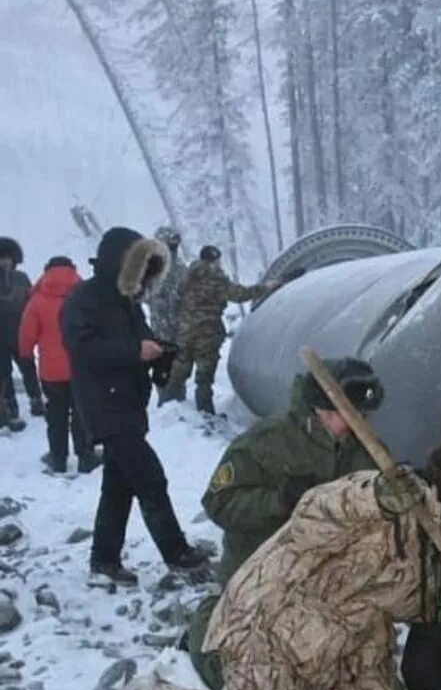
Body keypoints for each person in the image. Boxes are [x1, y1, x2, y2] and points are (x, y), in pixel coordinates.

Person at [78, 434, 441, 690]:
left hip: (329, 636)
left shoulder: (432, 549)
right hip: (266, 621)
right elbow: (316, 513)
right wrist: (376, 498)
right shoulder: (379, 498)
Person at [61, 226, 209, 587]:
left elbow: (140, 341)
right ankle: (176, 553)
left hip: (127, 403)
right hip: (103, 406)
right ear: (122, 263)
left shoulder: (127, 302)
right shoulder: (83, 298)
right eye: (141, 268)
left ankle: (104, 559)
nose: (145, 279)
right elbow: (82, 349)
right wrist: (135, 352)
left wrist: (160, 352)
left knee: (119, 486)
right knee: (149, 477)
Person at [201, 357, 383, 584]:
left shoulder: (363, 446)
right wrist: (279, 502)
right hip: (259, 568)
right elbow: (218, 503)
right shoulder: (267, 440)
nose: (361, 422)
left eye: (365, 415)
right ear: (321, 409)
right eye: (352, 415)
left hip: (324, 568)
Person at [162, 245, 276, 415]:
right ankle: (206, 413)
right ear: (215, 259)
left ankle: (167, 409)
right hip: (206, 334)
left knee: (178, 372)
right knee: (204, 378)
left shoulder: (187, 276)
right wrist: (266, 287)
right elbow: (240, 295)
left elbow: (176, 299)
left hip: (185, 332)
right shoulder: (216, 278)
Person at [18, 256, 97, 474]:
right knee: (81, 413)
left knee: (56, 415)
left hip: (51, 371)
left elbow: (26, 338)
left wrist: (25, 356)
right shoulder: (85, 297)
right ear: (73, 270)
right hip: (81, 367)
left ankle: (58, 458)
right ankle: (85, 456)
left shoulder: (37, 300)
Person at [0, 236, 44, 432]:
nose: (4, 261)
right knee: (4, 373)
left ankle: (36, 400)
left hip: (20, 331)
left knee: (27, 366)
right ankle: (10, 408)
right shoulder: (21, 278)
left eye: (7, 257)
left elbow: (31, 302)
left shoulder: (22, 278)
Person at [147, 226, 185, 344]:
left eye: (174, 245)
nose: (173, 249)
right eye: (170, 245)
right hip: (161, 334)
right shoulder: (151, 269)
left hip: (180, 334)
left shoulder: (181, 269)